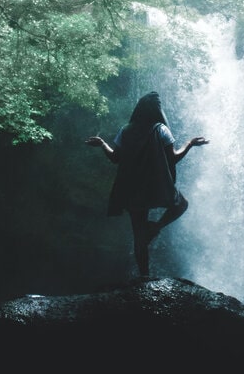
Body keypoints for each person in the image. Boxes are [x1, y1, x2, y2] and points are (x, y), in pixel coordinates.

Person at [85, 91, 209, 277]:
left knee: (138, 234)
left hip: (131, 188)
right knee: (181, 204)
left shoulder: (125, 130)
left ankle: (144, 276)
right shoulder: (161, 129)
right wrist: (190, 143)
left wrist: (103, 144)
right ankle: (155, 228)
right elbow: (173, 159)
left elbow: (115, 158)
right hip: (156, 186)